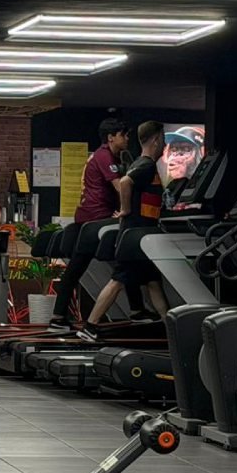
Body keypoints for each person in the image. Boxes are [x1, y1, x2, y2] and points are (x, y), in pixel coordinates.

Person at [47, 118, 151, 331]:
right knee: (110, 260)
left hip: (91, 217)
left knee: (120, 258)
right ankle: (59, 317)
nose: (127, 138)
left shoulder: (109, 156)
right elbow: (120, 186)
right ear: (111, 137)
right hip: (95, 219)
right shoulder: (104, 156)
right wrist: (128, 210)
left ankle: (137, 310)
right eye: (123, 135)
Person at [78, 119, 169, 340]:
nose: (165, 144)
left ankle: (171, 329)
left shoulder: (139, 162)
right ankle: (90, 326)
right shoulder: (146, 165)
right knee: (118, 280)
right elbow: (126, 182)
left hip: (142, 235)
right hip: (135, 236)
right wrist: (126, 209)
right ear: (156, 140)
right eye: (164, 139)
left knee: (153, 282)